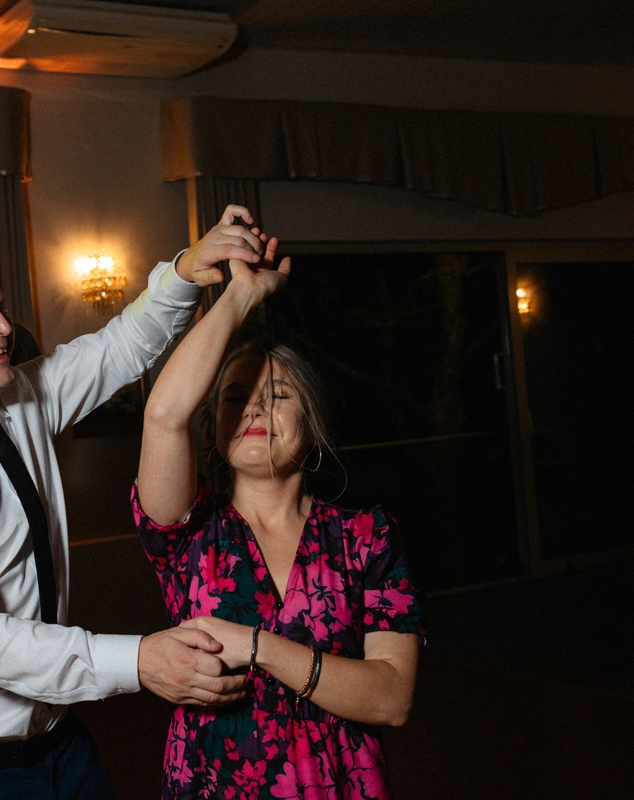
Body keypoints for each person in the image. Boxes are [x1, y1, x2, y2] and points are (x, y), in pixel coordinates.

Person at [0, 207, 268, 799]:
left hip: (58, 738)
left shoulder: (23, 394)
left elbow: (121, 345)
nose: (4, 325)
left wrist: (186, 270)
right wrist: (139, 661)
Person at [133, 235, 425, 799]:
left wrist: (258, 646)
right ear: (214, 428)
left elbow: (392, 699)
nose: (256, 406)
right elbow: (164, 415)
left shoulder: (366, 537)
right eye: (234, 397)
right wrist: (239, 296)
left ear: (312, 426)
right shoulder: (188, 534)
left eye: (281, 394)